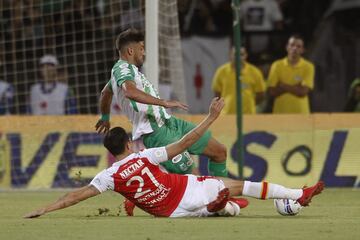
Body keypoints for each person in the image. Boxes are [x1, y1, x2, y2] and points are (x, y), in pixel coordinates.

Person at [24, 98, 324, 219]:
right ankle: (299, 194)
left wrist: (43, 209)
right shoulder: (146, 156)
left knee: (227, 209)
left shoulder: (108, 177)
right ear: (129, 142)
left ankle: (219, 208)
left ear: (111, 151)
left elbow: (74, 197)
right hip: (186, 189)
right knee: (240, 185)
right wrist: (211, 117)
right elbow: (188, 141)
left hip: (170, 213)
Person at [95, 28, 227, 177]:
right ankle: (216, 198)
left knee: (219, 152)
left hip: (169, 122)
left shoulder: (125, 72)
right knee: (193, 177)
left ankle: (222, 196)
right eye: (141, 49)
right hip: (156, 131)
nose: (144, 53)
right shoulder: (122, 68)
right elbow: (130, 92)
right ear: (131, 51)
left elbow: (106, 92)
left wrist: (105, 118)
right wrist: (163, 102)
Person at [267, 35, 315, 114]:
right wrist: (296, 87)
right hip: (280, 115)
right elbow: (272, 92)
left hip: (301, 115)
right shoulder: (276, 65)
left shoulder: (309, 67)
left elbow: (303, 92)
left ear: (303, 50)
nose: (294, 48)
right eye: (292, 45)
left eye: (298, 46)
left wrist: (282, 86)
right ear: (287, 47)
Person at [212, 46, 266, 114]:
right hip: (226, 114)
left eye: (241, 54)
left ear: (246, 55)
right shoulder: (221, 71)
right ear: (230, 55)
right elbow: (217, 94)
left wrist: (249, 103)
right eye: (235, 54)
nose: (238, 57)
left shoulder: (255, 72)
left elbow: (261, 94)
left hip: (249, 115)